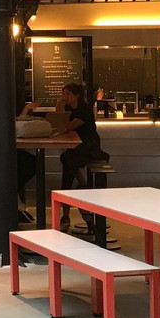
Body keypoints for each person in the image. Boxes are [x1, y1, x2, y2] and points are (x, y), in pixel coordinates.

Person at [58, 82, 108, 230]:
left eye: (67, 94)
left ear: (76, 95)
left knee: (66, 160)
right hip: (76, 146)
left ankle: (67, 215)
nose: (64, 97)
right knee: (67, 164)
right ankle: (81, 204)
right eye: (64, 94)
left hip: (89, 146)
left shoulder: (84, 109)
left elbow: (68, 126)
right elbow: (60, 123)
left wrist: (60, 110)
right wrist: (60, 108)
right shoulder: (68, 108)